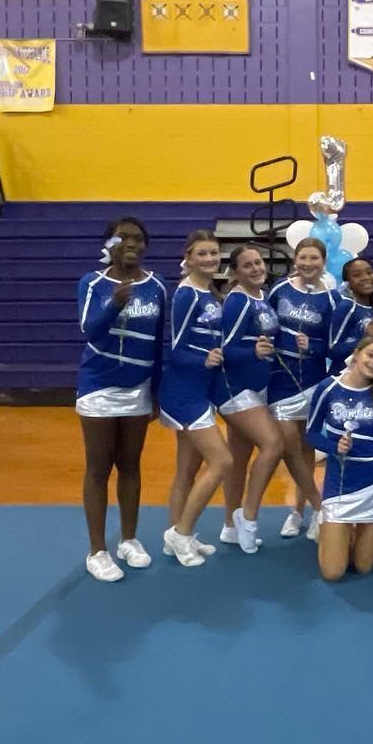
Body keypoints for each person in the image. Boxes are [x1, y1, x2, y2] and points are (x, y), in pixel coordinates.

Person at [75, 217, 167, 582]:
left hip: (139, 388)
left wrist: (156, 390)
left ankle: (129, 539)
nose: (131, 242)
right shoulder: (93, 282)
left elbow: (160, 342)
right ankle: (97, 550)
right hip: (99, 385)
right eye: (123, 236)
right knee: (99, 468)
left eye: (138, 237)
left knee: (131, 465)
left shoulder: (157, 286)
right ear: (109, 243)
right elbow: (88, 329)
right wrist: (113, 303)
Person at [157, 230, 232, 566]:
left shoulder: (210, 293)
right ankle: (182, 532)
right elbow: (175, 349)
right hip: (183, 391)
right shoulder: (186, 294)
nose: (209, 259)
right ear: (188, 257)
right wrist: (202, 359)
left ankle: (176, 535)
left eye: (214, 253)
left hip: (201, 389)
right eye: (202, 254)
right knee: (222, 462)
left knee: (187, 468)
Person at [304, 337, 373, 581]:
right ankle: (332, 528)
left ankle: (355, 533)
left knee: (363, 567)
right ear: (356, 355)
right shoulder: (327, 388)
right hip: (341, 485)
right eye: (371, 355)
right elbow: (311, 434)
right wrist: (334, 446)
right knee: (333, 573)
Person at [215, 245, 285, 553]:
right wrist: (252, 353)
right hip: (235, 389)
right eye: (248, 265)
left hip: (258, 388)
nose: (256, 268)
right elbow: (223, 349)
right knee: (273, 444)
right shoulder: (237, 301)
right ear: (235, 272)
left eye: (258, 262)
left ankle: (230, 525)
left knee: (239, 458)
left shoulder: (263, 297)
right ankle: (248, 516)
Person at [267, 237, 337, 539]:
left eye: (314, 259)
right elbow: (263, 325)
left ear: (323, 262)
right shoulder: (279, 291)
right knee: (288, 447)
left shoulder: (333, 300)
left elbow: (334, 345)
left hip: (312, 380)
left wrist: (315, 346)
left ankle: (299, 510)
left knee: (307, 448)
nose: (308, 264)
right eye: (303, 258)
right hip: (281, 380)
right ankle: (317, 507)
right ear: (295, 260)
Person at [327, 257, 373, 373]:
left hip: (368, 376)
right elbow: (332, 350)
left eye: (369, 272)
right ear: (347, 283)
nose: (365, 277)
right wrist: (365, 337)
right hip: (344, 378)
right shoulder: (347, 306)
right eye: (357, 275)